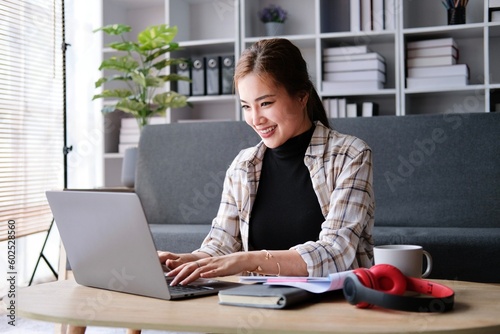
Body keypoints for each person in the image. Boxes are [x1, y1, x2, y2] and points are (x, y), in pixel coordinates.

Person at [160, 38, 375, 286]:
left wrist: (249, 260)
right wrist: (182, 260)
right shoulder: (243, 166)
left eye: (265, 103)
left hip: (333, 304)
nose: (255, 119)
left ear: (302, 96)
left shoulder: (350, 155)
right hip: (260, 303)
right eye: (246, 107)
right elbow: (221, 246)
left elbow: (336, 253)